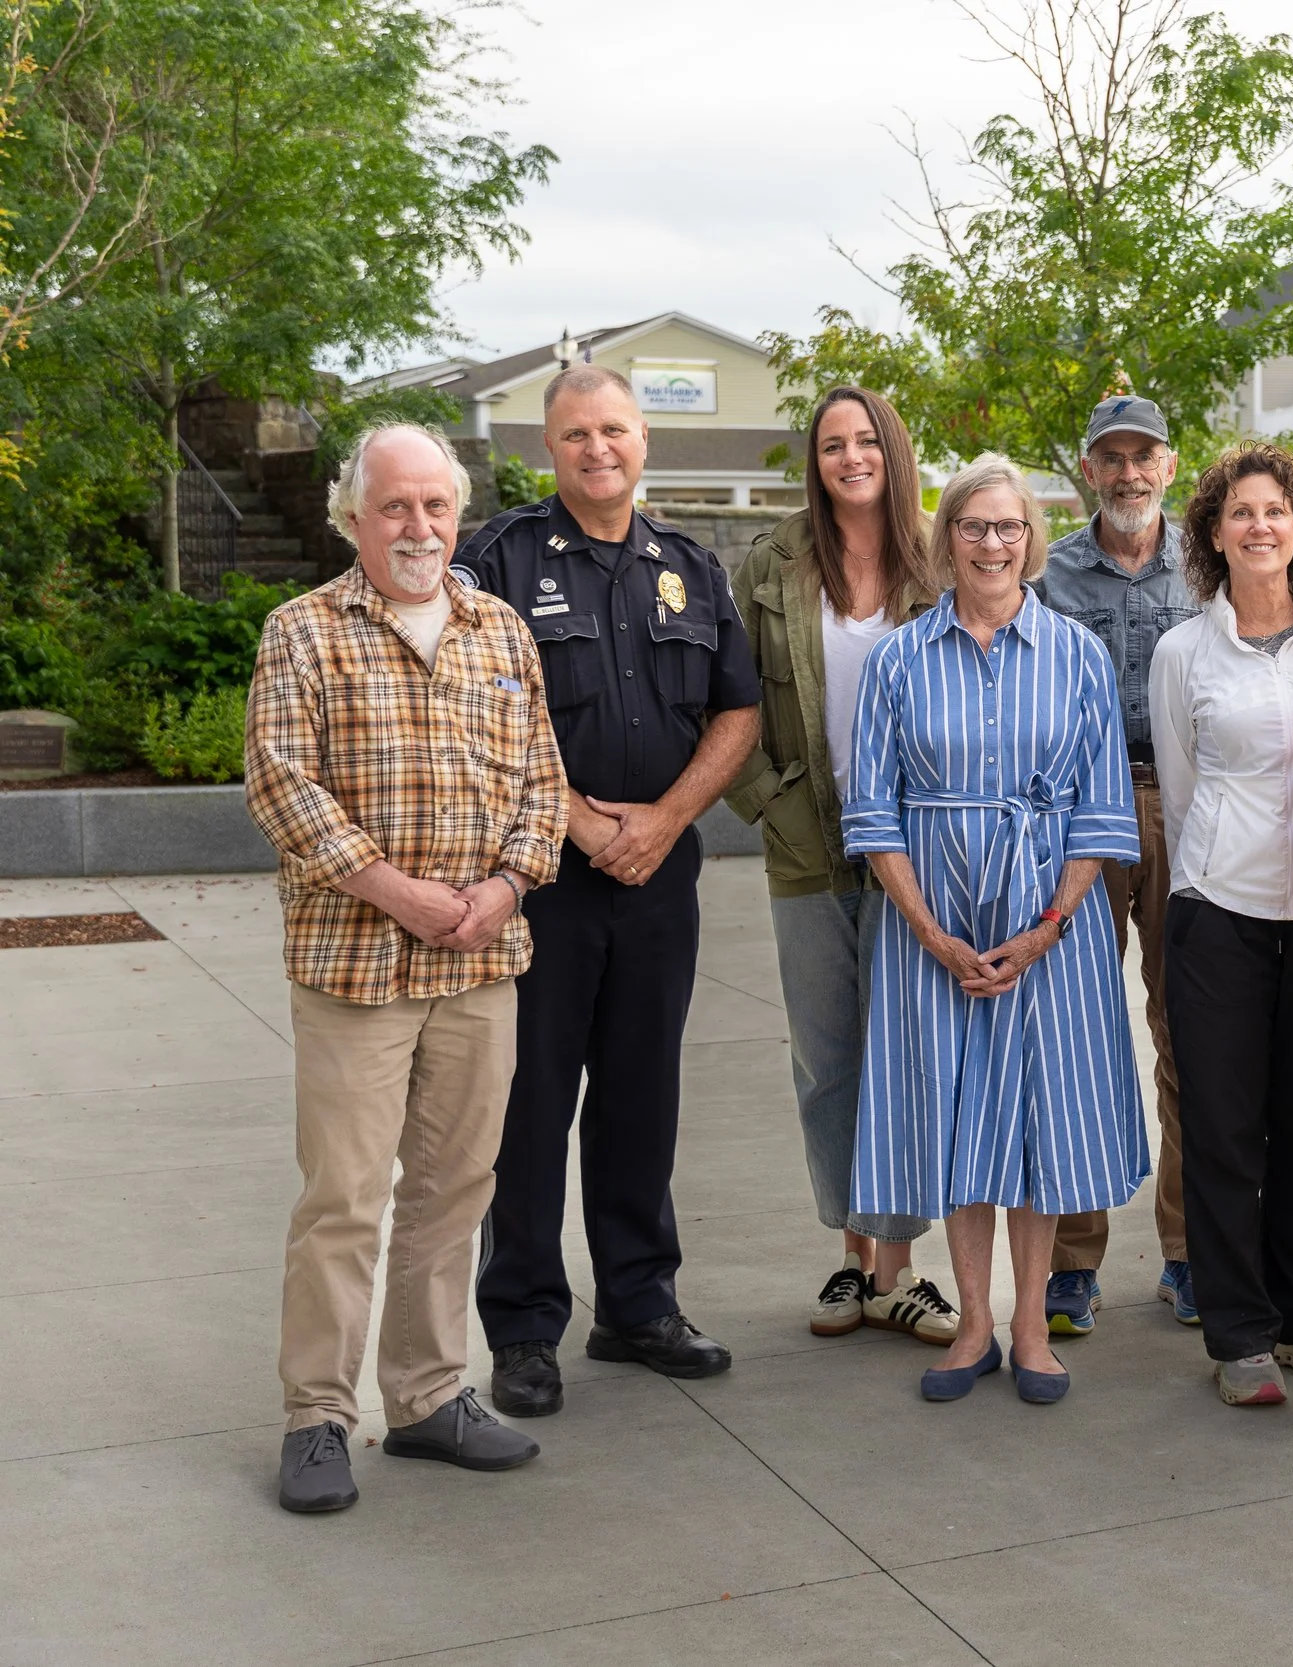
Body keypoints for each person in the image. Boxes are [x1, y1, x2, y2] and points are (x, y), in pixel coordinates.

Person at [246, 423, 568, 1513]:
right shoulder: (301, 632)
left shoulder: (502, 632)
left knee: (453, 1189)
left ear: (459, 514)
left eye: (435, 505)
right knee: (343, 1198)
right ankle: (317, 1417)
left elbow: (542, 783)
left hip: (482, 961)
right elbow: (284, 788)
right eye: (395, 506)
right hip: (354, 964)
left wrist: (502, 888)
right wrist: (402, 892)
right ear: (352, 518)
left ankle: (430, 1396)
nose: (419, 526)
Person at [457, 364, 763, 1418]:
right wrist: (581, 821)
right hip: (545, 878)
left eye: (616, 430)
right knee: (531, 1104)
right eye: (577, 432)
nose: (599, 448)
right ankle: (525, 1326)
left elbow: (736, 712)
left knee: (642, 1093)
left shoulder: (688, 565)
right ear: (550, 447)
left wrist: (669, 818)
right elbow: (478, 712)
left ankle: (638, 1302)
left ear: (645, 442)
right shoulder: (492, 559)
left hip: (659, 877)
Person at [844, 453, 1149, 1406]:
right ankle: (972, 1320)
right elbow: (874, 811)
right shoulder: (899, 657)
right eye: (974, 526)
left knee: (1036, 1120)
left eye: (1009, 526)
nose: (991, 543)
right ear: (948, 539)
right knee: (959, 1112)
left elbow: (1102, 813)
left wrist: (1048, 927)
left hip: (1049, 925)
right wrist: (930, 931)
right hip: (931, 925)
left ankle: (1030, 1325)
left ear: (1032, 540)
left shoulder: (1077, 654)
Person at [726, 386, 958, 1346]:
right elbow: (728, 705)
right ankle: (851, 1259)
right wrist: (774, 808)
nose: (851, 456)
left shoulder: (940, 558)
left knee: (902, 1059)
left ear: (892, 451)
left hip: (922, 853)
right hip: (809, 847)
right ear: (814, 460)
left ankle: (900, 1272)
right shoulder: (773, 563)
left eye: (867, 440)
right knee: (828, 1058)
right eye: (832, 444)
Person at [1149, 443, 1293, 1407]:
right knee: (1226, 1127)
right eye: (1240, 512)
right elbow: (1187, 786)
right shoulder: (1182, 651)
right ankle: (1239, 1332)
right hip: (1218, 913)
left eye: (1276, 509)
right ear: (1212, 533)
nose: (1261, 526)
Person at [1034, 392, 1200, 1335]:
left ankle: (1186, 1252)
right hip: (1079, 821)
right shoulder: (1048, 574)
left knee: (1187, 1039)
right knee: (1075, 1039)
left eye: (1146, 456)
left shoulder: (1206, 572)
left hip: (1184, 814)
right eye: (1113, 458)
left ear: (1170, 466)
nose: (1130, 472)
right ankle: (1071, 1259)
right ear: (1088, 470)